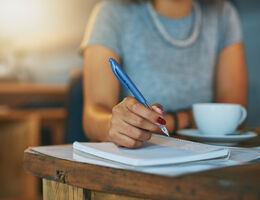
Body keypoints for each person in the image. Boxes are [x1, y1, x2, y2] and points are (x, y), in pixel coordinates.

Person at [80, 0, 247, 148]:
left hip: (208, 158)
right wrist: (114, 124)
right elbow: (92, 116)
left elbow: (235, 115)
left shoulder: (223, 14)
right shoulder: (111, 13)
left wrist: (173, 120)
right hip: (137, 159)